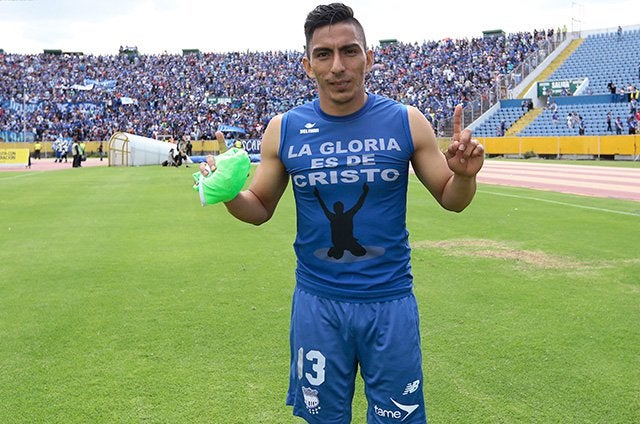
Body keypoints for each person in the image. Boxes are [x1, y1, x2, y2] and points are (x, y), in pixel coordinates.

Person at [207, 4, 484, 423]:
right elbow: (260, 207)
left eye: (349, 51)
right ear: (307, 65)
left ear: (368, 58)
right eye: (324, 54)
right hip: (318, 305)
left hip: (389, 301)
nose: (338, 65)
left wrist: (463, 176)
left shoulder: (406, 121)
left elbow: (452, 197)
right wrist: (229, 193)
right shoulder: (285, 128)